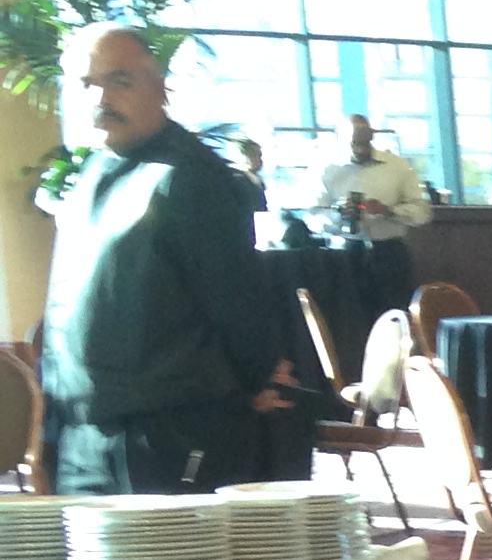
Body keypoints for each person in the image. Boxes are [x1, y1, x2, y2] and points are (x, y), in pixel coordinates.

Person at [38, 27, 302, 495]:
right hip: (82, 437)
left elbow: (237, 304)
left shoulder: (192, 179)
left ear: (160, 88)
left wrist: (257, 377)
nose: (100, 97)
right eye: (86, 83)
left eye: (119, 80)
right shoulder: (92, 173)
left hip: (166, 440)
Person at [316, 112, 430, 316]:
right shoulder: (327, 169)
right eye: (354, 142)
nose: (361, 148)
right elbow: (313, 216)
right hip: (344, 253)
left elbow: (422, 212)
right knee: (348, 319)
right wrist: (338, 214)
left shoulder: (397, 166)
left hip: (389, 252)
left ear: (372, 135)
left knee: (396, 316)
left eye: (365, 141)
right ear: (341, 139)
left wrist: (388, 210)